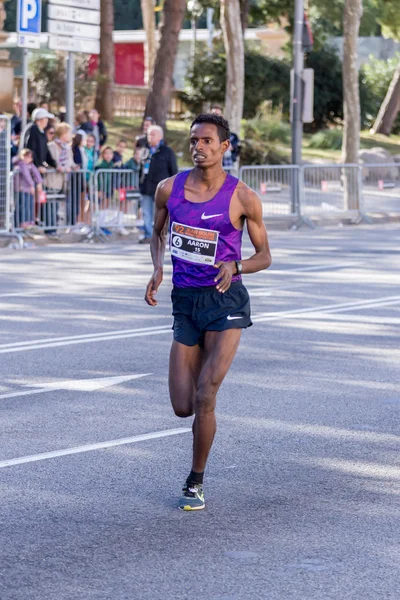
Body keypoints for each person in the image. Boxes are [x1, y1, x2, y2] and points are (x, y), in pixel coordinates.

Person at [144, 113, 272, 510]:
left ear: (224, 147)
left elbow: (265, 256)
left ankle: (195, 481)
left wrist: (237, 265)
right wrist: (157, 267)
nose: (198, 147)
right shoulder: (170, 188)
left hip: (225, 301)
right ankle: (200, 408)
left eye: (207, 141)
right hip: (185, 302)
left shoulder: (242, 197)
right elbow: (158, 234)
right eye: (194, 140)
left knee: (204, 397)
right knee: (183, 406)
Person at [139, 125, 178, 244]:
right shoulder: (145, 150)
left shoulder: (167, 151)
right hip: (146, 187)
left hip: (162, 189)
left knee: (162, 213)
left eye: (153, 134)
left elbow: (173, 170)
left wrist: (172, 186)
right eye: (148, 134)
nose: (149, 136)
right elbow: (141, 168)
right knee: (146, 212)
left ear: (160, 136)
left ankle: (162, 235)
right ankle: (149, 235)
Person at [12, 148, 43, 227]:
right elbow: (27, 175)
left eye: (30, 157)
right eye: (28, 156)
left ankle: (28, 223)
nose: (29, 159)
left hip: (28, 190)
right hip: (21, 189)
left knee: (29, 206)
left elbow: (36, 172)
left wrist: (39, 182)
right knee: (22, 207)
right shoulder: (21, 164)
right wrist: (32, 185)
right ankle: (20, 224)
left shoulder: (30, 165)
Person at [24, 108, 57, 173]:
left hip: (38, 170)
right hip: (31, 170)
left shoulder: (42, 132)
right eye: (46, 118)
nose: (47, 120)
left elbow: (46, 151)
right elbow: (30, 149)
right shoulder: (32, 130)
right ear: (40, 120)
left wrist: (55, 165)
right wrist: (37, 166)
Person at [211, 105, 241, 169]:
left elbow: (230, 146)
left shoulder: (224, 127)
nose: (215, 116)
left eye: (217, 114)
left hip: (225, 160)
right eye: (213, 114)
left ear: (221, 115)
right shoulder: (205, 127)